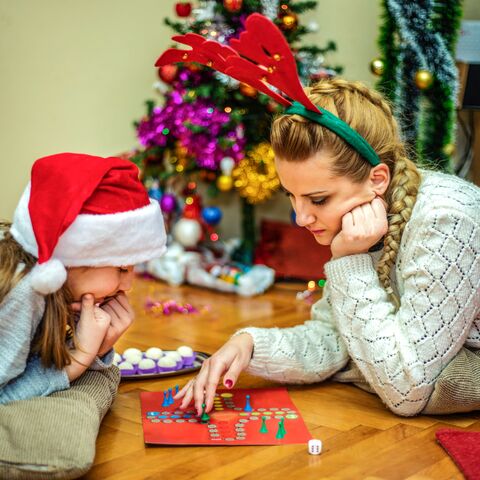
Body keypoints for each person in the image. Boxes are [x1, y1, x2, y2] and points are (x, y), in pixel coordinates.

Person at [175, 78, 480, 417]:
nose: (301, 217)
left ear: (377, 180)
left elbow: (406, 392)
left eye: (317, 199)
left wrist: (349, 261)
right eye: (291, 195)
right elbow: (336, 339)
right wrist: (249, 345)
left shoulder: (447, 219)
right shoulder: (360, 219)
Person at [0, 152, 166, 403]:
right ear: (71, 260)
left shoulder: (49, 288)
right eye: (121, 268)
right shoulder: (24, 290)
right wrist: (78, 357)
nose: (128, 285)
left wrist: (94, 347)